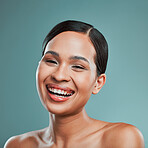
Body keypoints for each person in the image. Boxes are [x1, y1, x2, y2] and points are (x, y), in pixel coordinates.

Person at [4, 20, 144, 148]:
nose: (59, 76)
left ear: (98, 83)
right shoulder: (17, 145)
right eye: (51, 61)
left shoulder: (121, 139)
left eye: (78, 66)